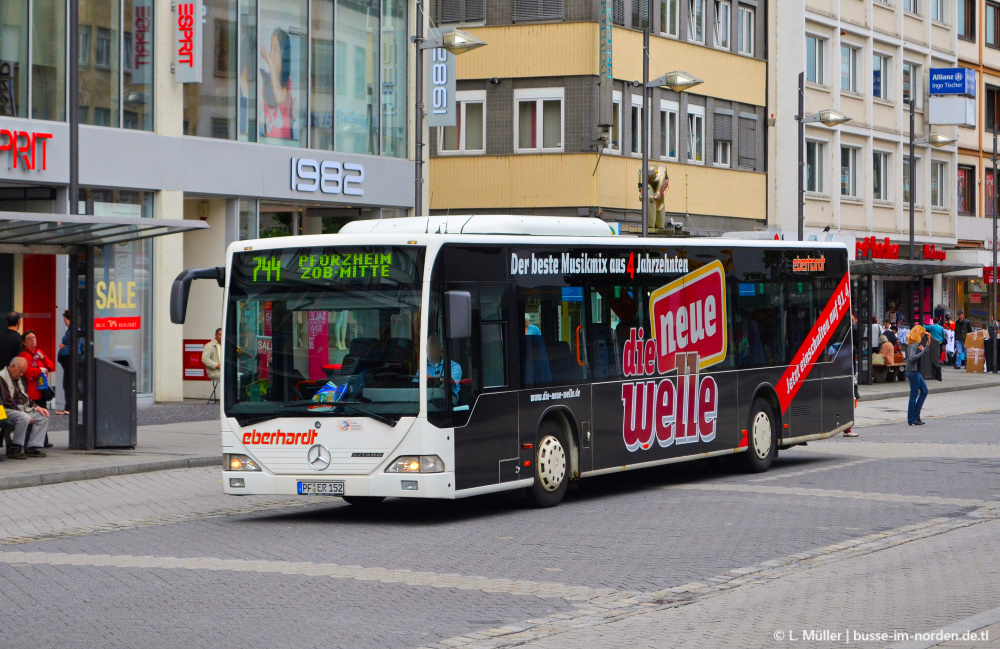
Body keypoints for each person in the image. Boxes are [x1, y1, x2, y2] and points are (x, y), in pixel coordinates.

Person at [0, 356, 50, 458]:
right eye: (20, 371)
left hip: (21, 407)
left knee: (43, 416)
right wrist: (21, 412)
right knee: (23, 418)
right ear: (12, 366)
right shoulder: (2, 377)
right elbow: (7, 401)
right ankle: (16, 448)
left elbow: (24, 397)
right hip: (7, 409)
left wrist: (37, 407)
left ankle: (32, 446)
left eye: (23, 372)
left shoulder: (17, 378)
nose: (22, 374)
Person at [260, 28, 295, 140]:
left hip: (284, 144)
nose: (271, 53)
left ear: (283, 54)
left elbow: (279, 97)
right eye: (271, 48)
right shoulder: (265, 82)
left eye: (275, 49)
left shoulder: (287, 82)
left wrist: (270, 64)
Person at [19, 330, 56, 411]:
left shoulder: (39, 353)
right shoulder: (23, 355)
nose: (33, 340)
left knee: (43, 415)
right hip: (32, 392)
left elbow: (51, 367)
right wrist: (39, 371)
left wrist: (43, 358)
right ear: (24, 342)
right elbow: (26, 371)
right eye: (29, 339)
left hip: (41, 390)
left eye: (34, 337)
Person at [420, 335, 462, 400]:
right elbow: (415, 385)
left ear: (441, 350)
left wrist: (432, 380)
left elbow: (450, 380)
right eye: (429, 348)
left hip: (448, 403)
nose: (430, 351)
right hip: (426, 403)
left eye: (433, 347)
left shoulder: (455, 367)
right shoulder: (422, 368)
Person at [904, 325, 930, 426]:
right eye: (922, 334)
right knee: (914, 394)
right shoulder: (914, 344)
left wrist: (929, 340)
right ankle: (912, 418)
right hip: (912, 371)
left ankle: (915, 415)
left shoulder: (914, 344)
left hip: (914, 371)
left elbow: (926, 351)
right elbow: (911, 358)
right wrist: (922, 352)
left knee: (924, 391)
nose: (923, 336)